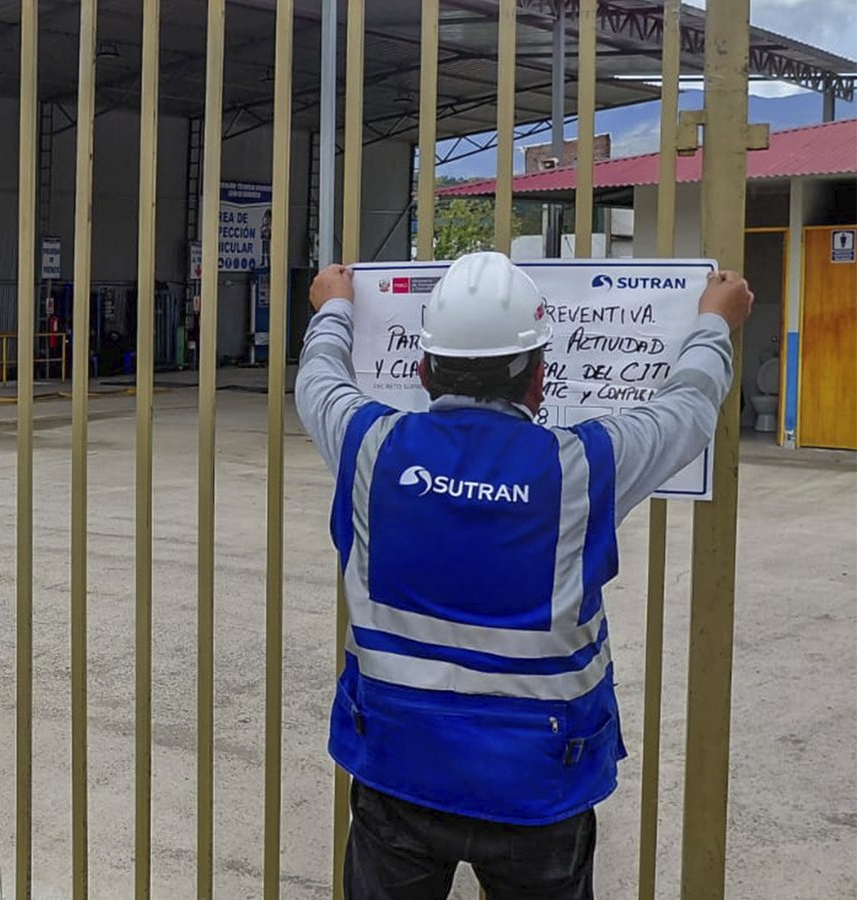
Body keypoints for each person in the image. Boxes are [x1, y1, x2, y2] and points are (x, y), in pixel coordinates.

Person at [294, 251, 754, 899]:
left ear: (423, 371)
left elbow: (317, 381)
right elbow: (688, 406)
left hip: (400, 763)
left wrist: (335, 307)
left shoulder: (368, 445)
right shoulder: (587, 465)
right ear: (539, 378)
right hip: (541, 778)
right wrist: (714, 324)